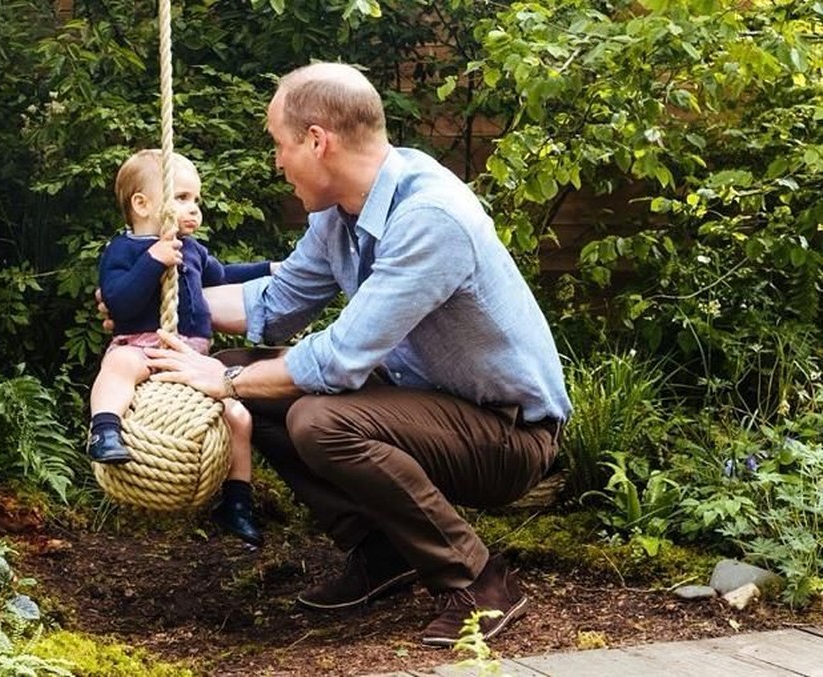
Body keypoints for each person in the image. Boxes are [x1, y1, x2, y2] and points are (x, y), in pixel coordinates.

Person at [140, 63, 573, 646]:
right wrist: (149, 302)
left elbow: (341, 358)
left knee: (316, 418)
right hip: (427, 408)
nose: (277, 162)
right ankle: (382, 550)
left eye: (280, 144)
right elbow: (278, 301)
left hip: (508, 435)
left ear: (317, 141)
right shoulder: (339, 214)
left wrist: (227, 382)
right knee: (253, 375)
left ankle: (479, 583)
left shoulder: (431, 217)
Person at [88, 148, 275, 546]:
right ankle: (104, 429)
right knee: (119, 363)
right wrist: (153, 261)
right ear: (142, 204)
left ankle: (236, 502)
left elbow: (223, 276)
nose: (195, 209)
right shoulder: (122, 251)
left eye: (197, 200)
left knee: (238, 417)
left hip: (191, 359)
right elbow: (119, 302)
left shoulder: (192, 249)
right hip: (143, 347)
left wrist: (271, 268)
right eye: (182, 198)